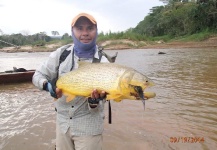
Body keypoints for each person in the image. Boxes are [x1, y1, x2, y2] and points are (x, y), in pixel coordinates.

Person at [32, 12, 109, 150]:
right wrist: (47, 86)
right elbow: (37, 75)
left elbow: (106, 97)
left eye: (90, 28)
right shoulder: (61, 54)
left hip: (89, 128)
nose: (85, 33)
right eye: (80, 28)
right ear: (72, 31)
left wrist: (94, 102)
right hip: (62, 125)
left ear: (96, 31)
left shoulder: (104, 62)